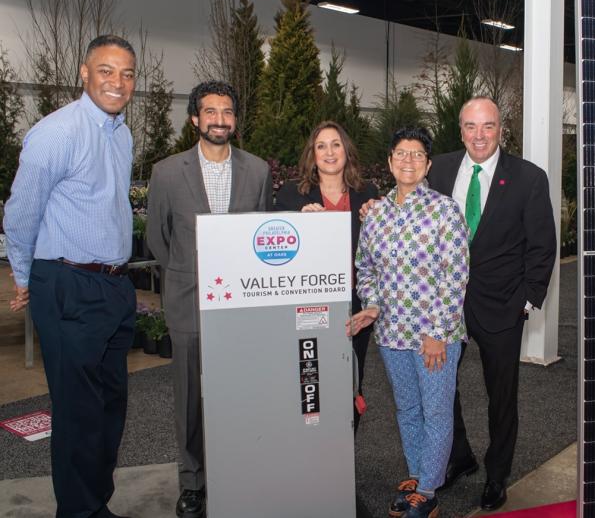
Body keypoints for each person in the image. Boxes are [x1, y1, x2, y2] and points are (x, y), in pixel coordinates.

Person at [3, 35, 137, 518]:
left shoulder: (122, 133)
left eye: (126, 74)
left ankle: (94, 505)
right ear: (84, 73)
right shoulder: (56, 133)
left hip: (115, 288)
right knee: (79, 415)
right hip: (67, 285)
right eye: (106, 71)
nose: (117, 83)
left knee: (108, 410)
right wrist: (24, 278)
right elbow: (19, 216)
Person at [146, 80, 273, 518]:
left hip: (240, 305)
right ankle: (193, 482)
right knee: (189, 398)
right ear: (195, 119)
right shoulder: (166, 172)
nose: (219, 120)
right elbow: (157, 238)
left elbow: (260, 238)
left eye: (227, 112)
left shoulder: (257, 171)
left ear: (236, 120)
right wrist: (186, 271)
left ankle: (235, 473)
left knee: (238, 392)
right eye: (210, 112)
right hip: (188, 301)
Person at [429, 96, 557, 510]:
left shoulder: (528, 178)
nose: (479, 135)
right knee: (440, 387)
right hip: (446, 305)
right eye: (470, 126)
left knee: (500, 397)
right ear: (460, 129)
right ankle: (458, 457)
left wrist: (528, 300)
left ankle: (497, 474)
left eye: (488, 126)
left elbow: (542, 246)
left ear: (501, 128)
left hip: (502, 306)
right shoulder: (440, 169)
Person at [348, 127, 469, 518]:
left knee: (436, 411)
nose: (408, 161)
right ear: (389, 161)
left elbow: (456, 275)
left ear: (428, 164)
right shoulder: (377, 213)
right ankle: (418, 478)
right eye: (401, 153)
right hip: (390, 334)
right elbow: (364, 266)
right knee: (407, 410)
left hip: (435, 335)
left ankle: (429, 492)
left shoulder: (444, 210)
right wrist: (371, 304)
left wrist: (437, 333)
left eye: (417, 155)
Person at [275, 120, 378, 433]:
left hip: (355, 303)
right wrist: (297, 223)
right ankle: (311, 447)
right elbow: (276, 249)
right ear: (312, 154)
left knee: (351, 378)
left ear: (346, 151)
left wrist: (379, 214)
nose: (329, 152)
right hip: (309, 304)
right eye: (321, 146)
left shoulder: (368, 194)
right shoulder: (292, 195)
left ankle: (344, 448)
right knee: (311, 378)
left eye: (336, 145)